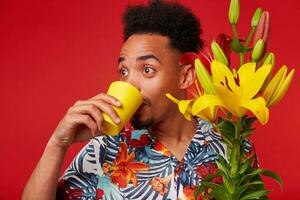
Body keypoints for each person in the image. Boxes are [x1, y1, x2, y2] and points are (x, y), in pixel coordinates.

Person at [22, 1, 256, 199]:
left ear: (185, 77)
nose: (129, 84)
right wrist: (57, 145)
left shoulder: (233, 147)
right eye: (124, 71)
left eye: (147, 70)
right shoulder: (104, 148)